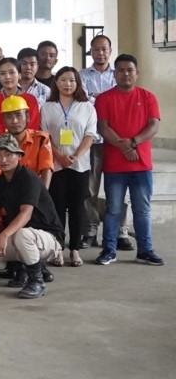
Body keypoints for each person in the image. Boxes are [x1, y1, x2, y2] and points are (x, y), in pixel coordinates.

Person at [0, 134, 65, 299]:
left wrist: (4, 235)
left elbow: (26, 214)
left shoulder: (28, 178)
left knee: (22, 235)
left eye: (8, 154)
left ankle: (37, 280)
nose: (3, 160)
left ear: (19, 156)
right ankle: (23, 268)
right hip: (24, 237)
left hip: (48, 237)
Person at [94, 54, 164, 266]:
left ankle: (145, 250)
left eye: (129, 70)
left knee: (142, 209)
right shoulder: (104, 98)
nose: (125, 74)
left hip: (141, 165)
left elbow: (153, 126)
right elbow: (103, 127)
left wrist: (133, 142)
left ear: (137, 73)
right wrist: (125, 147)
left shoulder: (148, 97)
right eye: (121, 70)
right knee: (113, 209)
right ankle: (109, 249)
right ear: (114, 74)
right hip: (115, 166)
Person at [41, 67, 97, 266]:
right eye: (63, 80)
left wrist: (75, 156)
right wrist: (60, 156)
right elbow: (45, 136)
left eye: (72, 80)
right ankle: (57, 249)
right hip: (56, 166)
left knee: (77, 208)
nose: (67, 84)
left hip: (79, 166)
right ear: (56, 83)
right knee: (57, 208)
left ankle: (74, 249)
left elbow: (90, 135)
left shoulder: (87, 107)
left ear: (78, 83)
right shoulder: (47, 107)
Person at [78, 34, 119, 249]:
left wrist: (98, 99)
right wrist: (105, 99)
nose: (100, 53)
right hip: (92, 140)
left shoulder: (118, 74)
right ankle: (90, 231)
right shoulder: (82, 75)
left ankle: (119, 232)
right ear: (90, 52)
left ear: (110, 51)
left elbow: (117, 102)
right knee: (90, 189)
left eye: (104, 49)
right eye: (95, 49)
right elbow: (85, 101)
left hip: (115, 139)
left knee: (117, 188)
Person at [0, 95, 53, 187]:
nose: (15, 121)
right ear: (3, 121)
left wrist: (42, 196)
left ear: (27, 117)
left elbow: (46, 169)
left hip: (33, 190)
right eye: (9, 116)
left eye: (19, 115)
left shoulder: (41, 139)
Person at [0, 58, 40, 141]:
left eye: (11, 72)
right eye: (2, 73)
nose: (7, 77)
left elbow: (33, 129)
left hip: (26, 148)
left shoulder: (30, 100)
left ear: (20, 75)